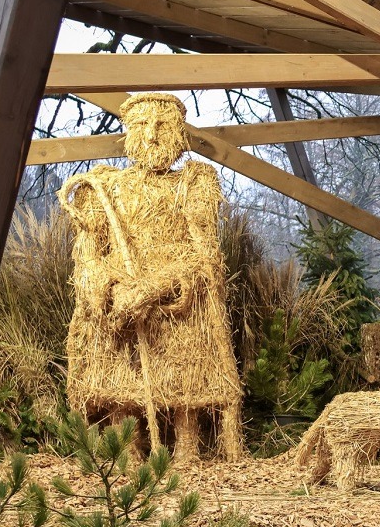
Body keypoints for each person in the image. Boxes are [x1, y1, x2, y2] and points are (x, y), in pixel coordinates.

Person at [59, 93, 243, 461]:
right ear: (129, 133)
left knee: (186, 349)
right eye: (142, 125)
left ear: (178, 134)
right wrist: (110, 289)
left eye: (162, 126)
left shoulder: (193, 183)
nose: (151, 135)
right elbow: (89, 257)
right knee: (118, 354)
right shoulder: (105, 188)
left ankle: (187, 446)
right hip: (122, 297)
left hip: (175, 298)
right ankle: (126, 445)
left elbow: (205, 255)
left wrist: (156, 287)